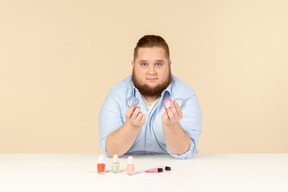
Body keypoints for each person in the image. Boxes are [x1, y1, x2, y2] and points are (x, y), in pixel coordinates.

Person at [98, 35, 202, 159]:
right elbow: (111, 151)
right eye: (143, 64)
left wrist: (172, 126)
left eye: (158, 64)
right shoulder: (116, 95)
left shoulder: (185, 95)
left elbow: (183, 152)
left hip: (175, 171)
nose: (151, 72)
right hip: (128, 171)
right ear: (133, 65)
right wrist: (131, 126)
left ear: (169, 65)